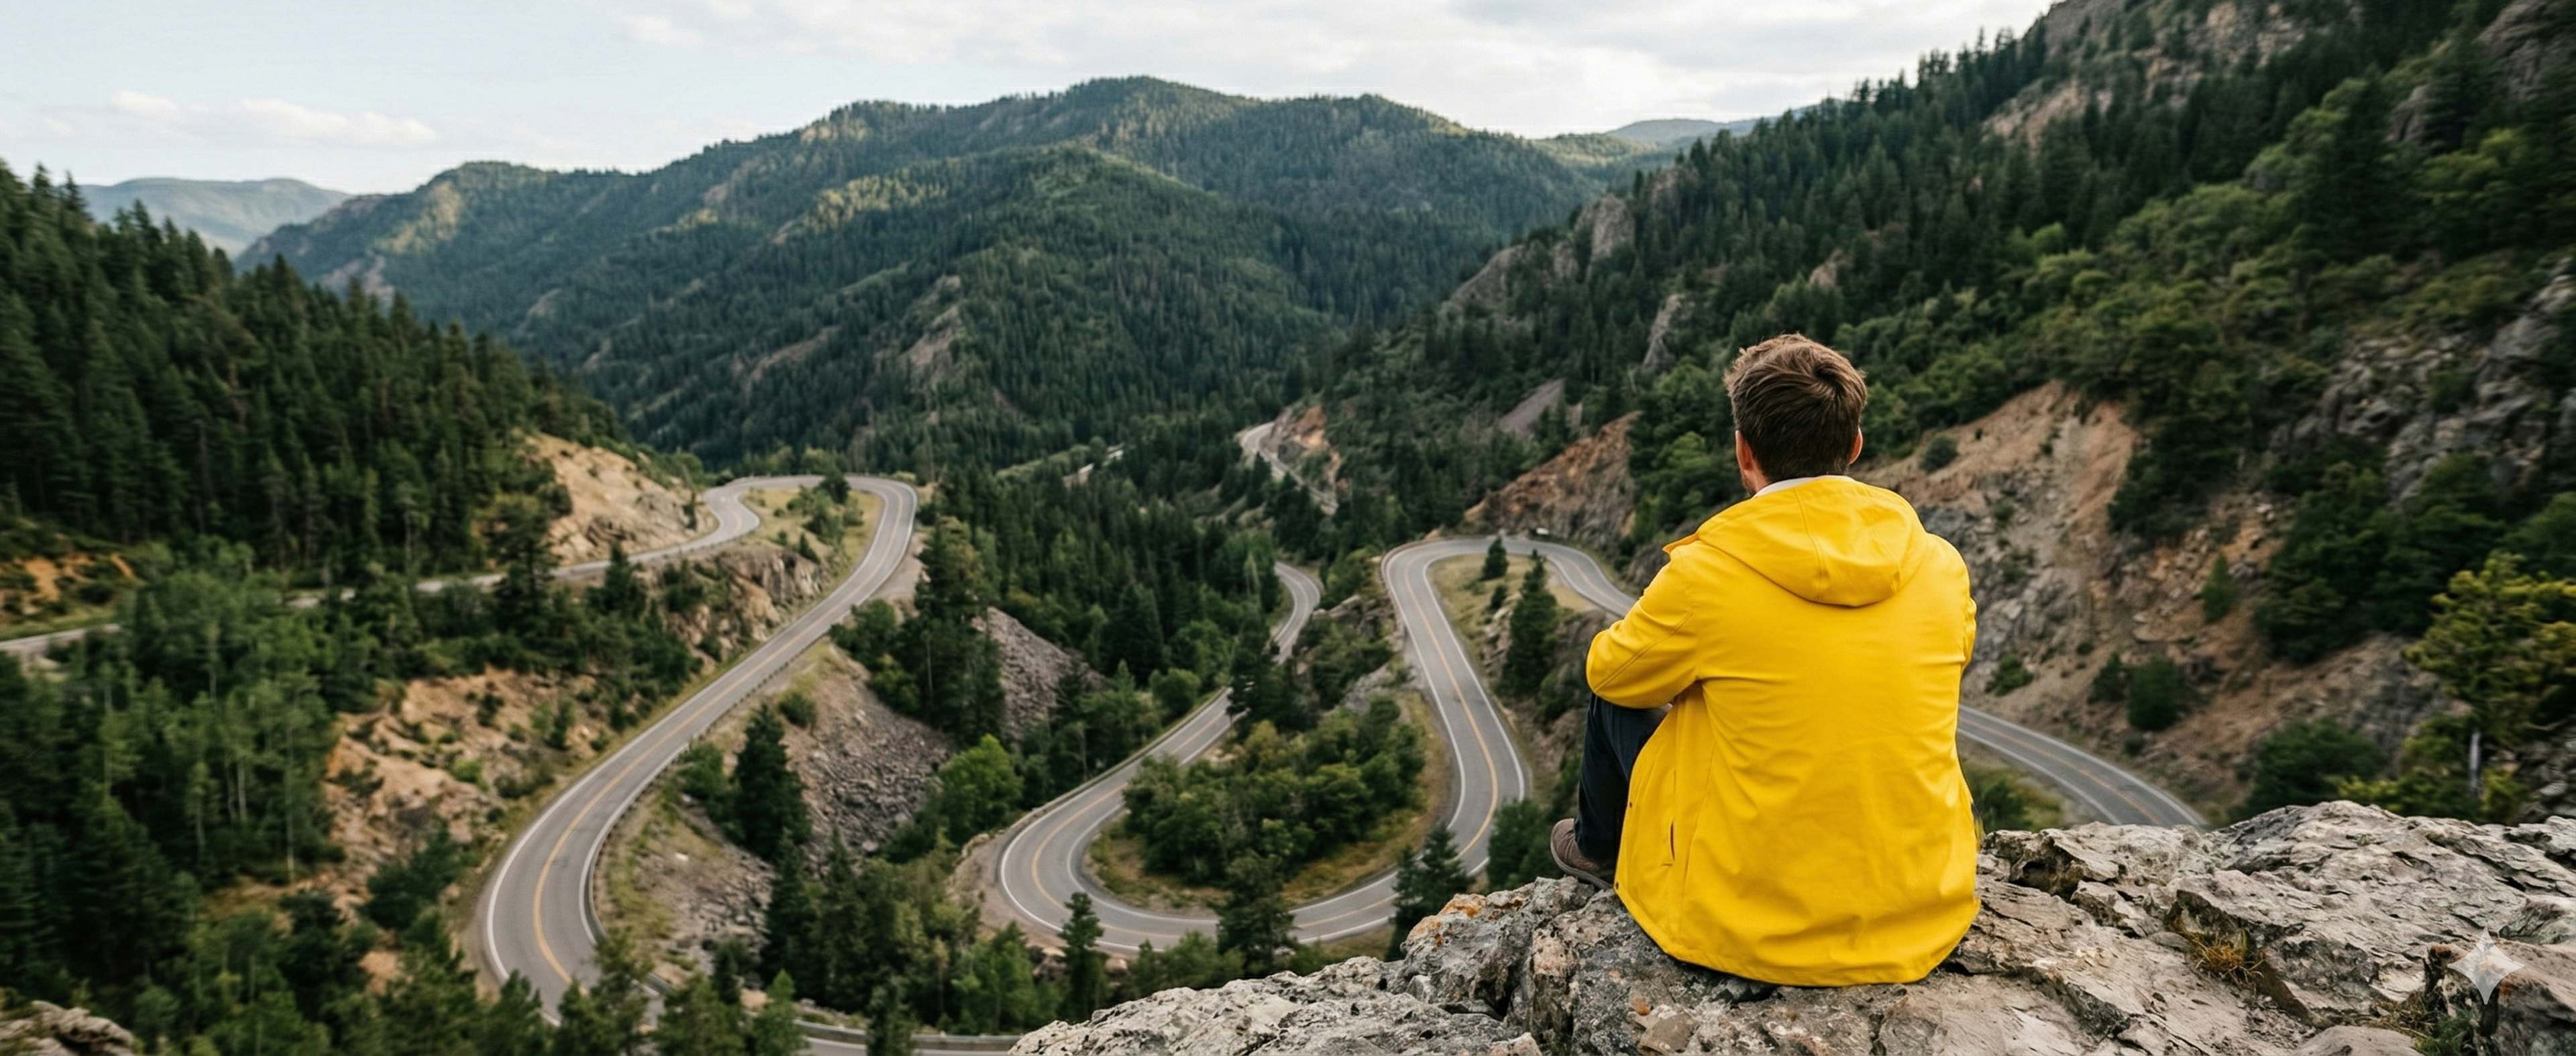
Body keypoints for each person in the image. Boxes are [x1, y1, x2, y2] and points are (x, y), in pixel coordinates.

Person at [1548, 333, 1980, 987]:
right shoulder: (1940, 565)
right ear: (1856, 444)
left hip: (1751, 924)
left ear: (1744, 450)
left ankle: (1597, 850)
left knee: (1620, 698)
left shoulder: (1710, 572)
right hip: (1921, 911)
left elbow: (1609, 671)